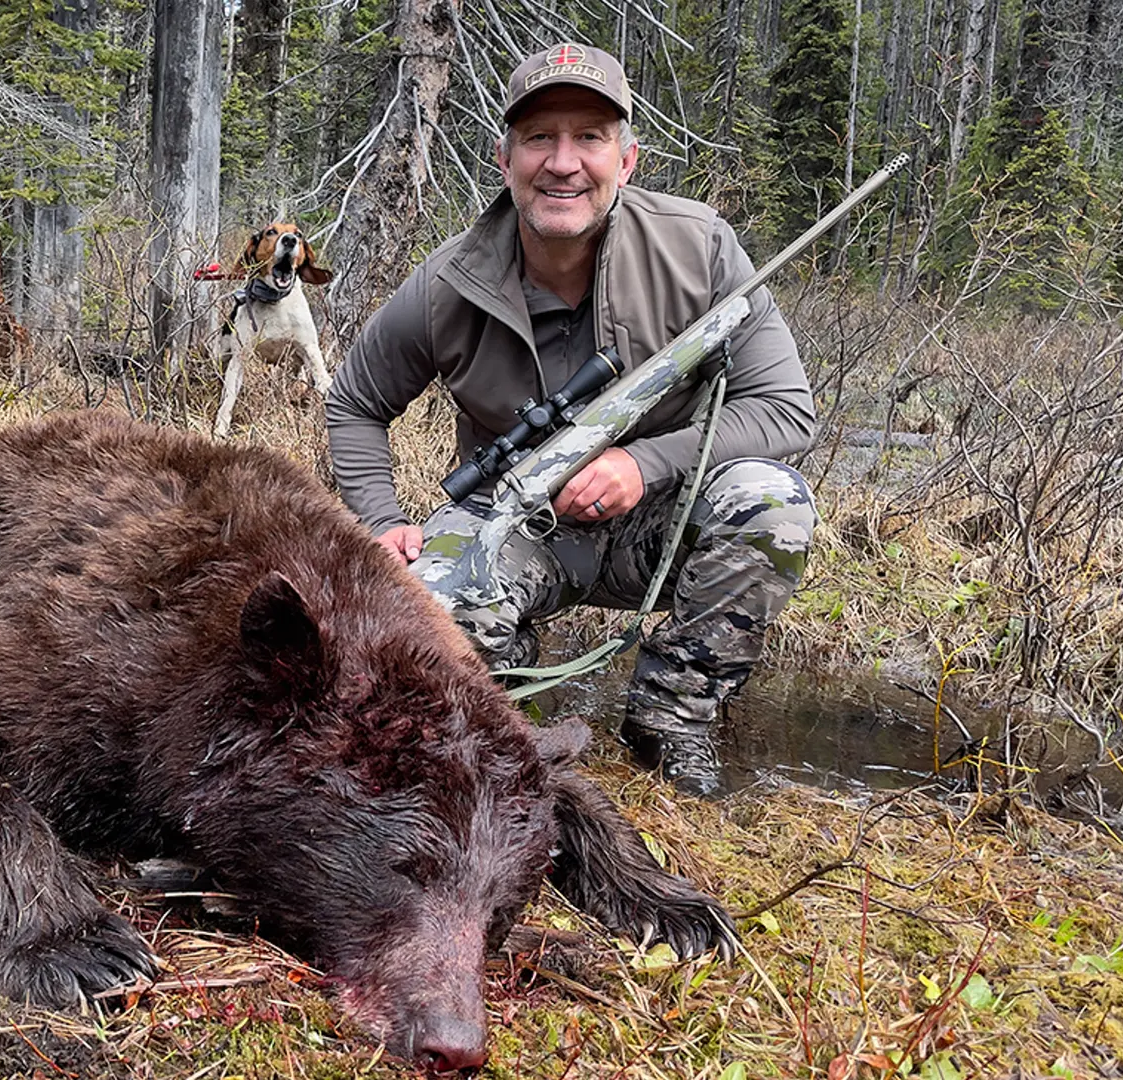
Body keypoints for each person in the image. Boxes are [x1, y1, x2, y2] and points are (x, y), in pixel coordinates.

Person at [323, 42, 819, 796]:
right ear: (504, 157)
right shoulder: (446, 283)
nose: (563, 162)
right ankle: (510, 705)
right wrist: (381, 521)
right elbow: (355, 403)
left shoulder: (702, 249)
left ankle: (669, 719)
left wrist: (644, 464)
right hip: (515, 525)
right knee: (427, 631)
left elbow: (785, 410)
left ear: (627, 160)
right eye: (539, 138)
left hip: (661, 519)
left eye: (589, 137)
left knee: (770, 503)